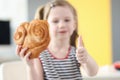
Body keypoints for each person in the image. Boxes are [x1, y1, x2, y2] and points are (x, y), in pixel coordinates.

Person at [16, 0, 99, 80]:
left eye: (67, 20)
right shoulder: (40, 55)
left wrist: (86, 58)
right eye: (55, 21)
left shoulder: (76, 53)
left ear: (74, 25)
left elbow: (93, 72)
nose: (62, 25)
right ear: (46, 26)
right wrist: (30, 66)